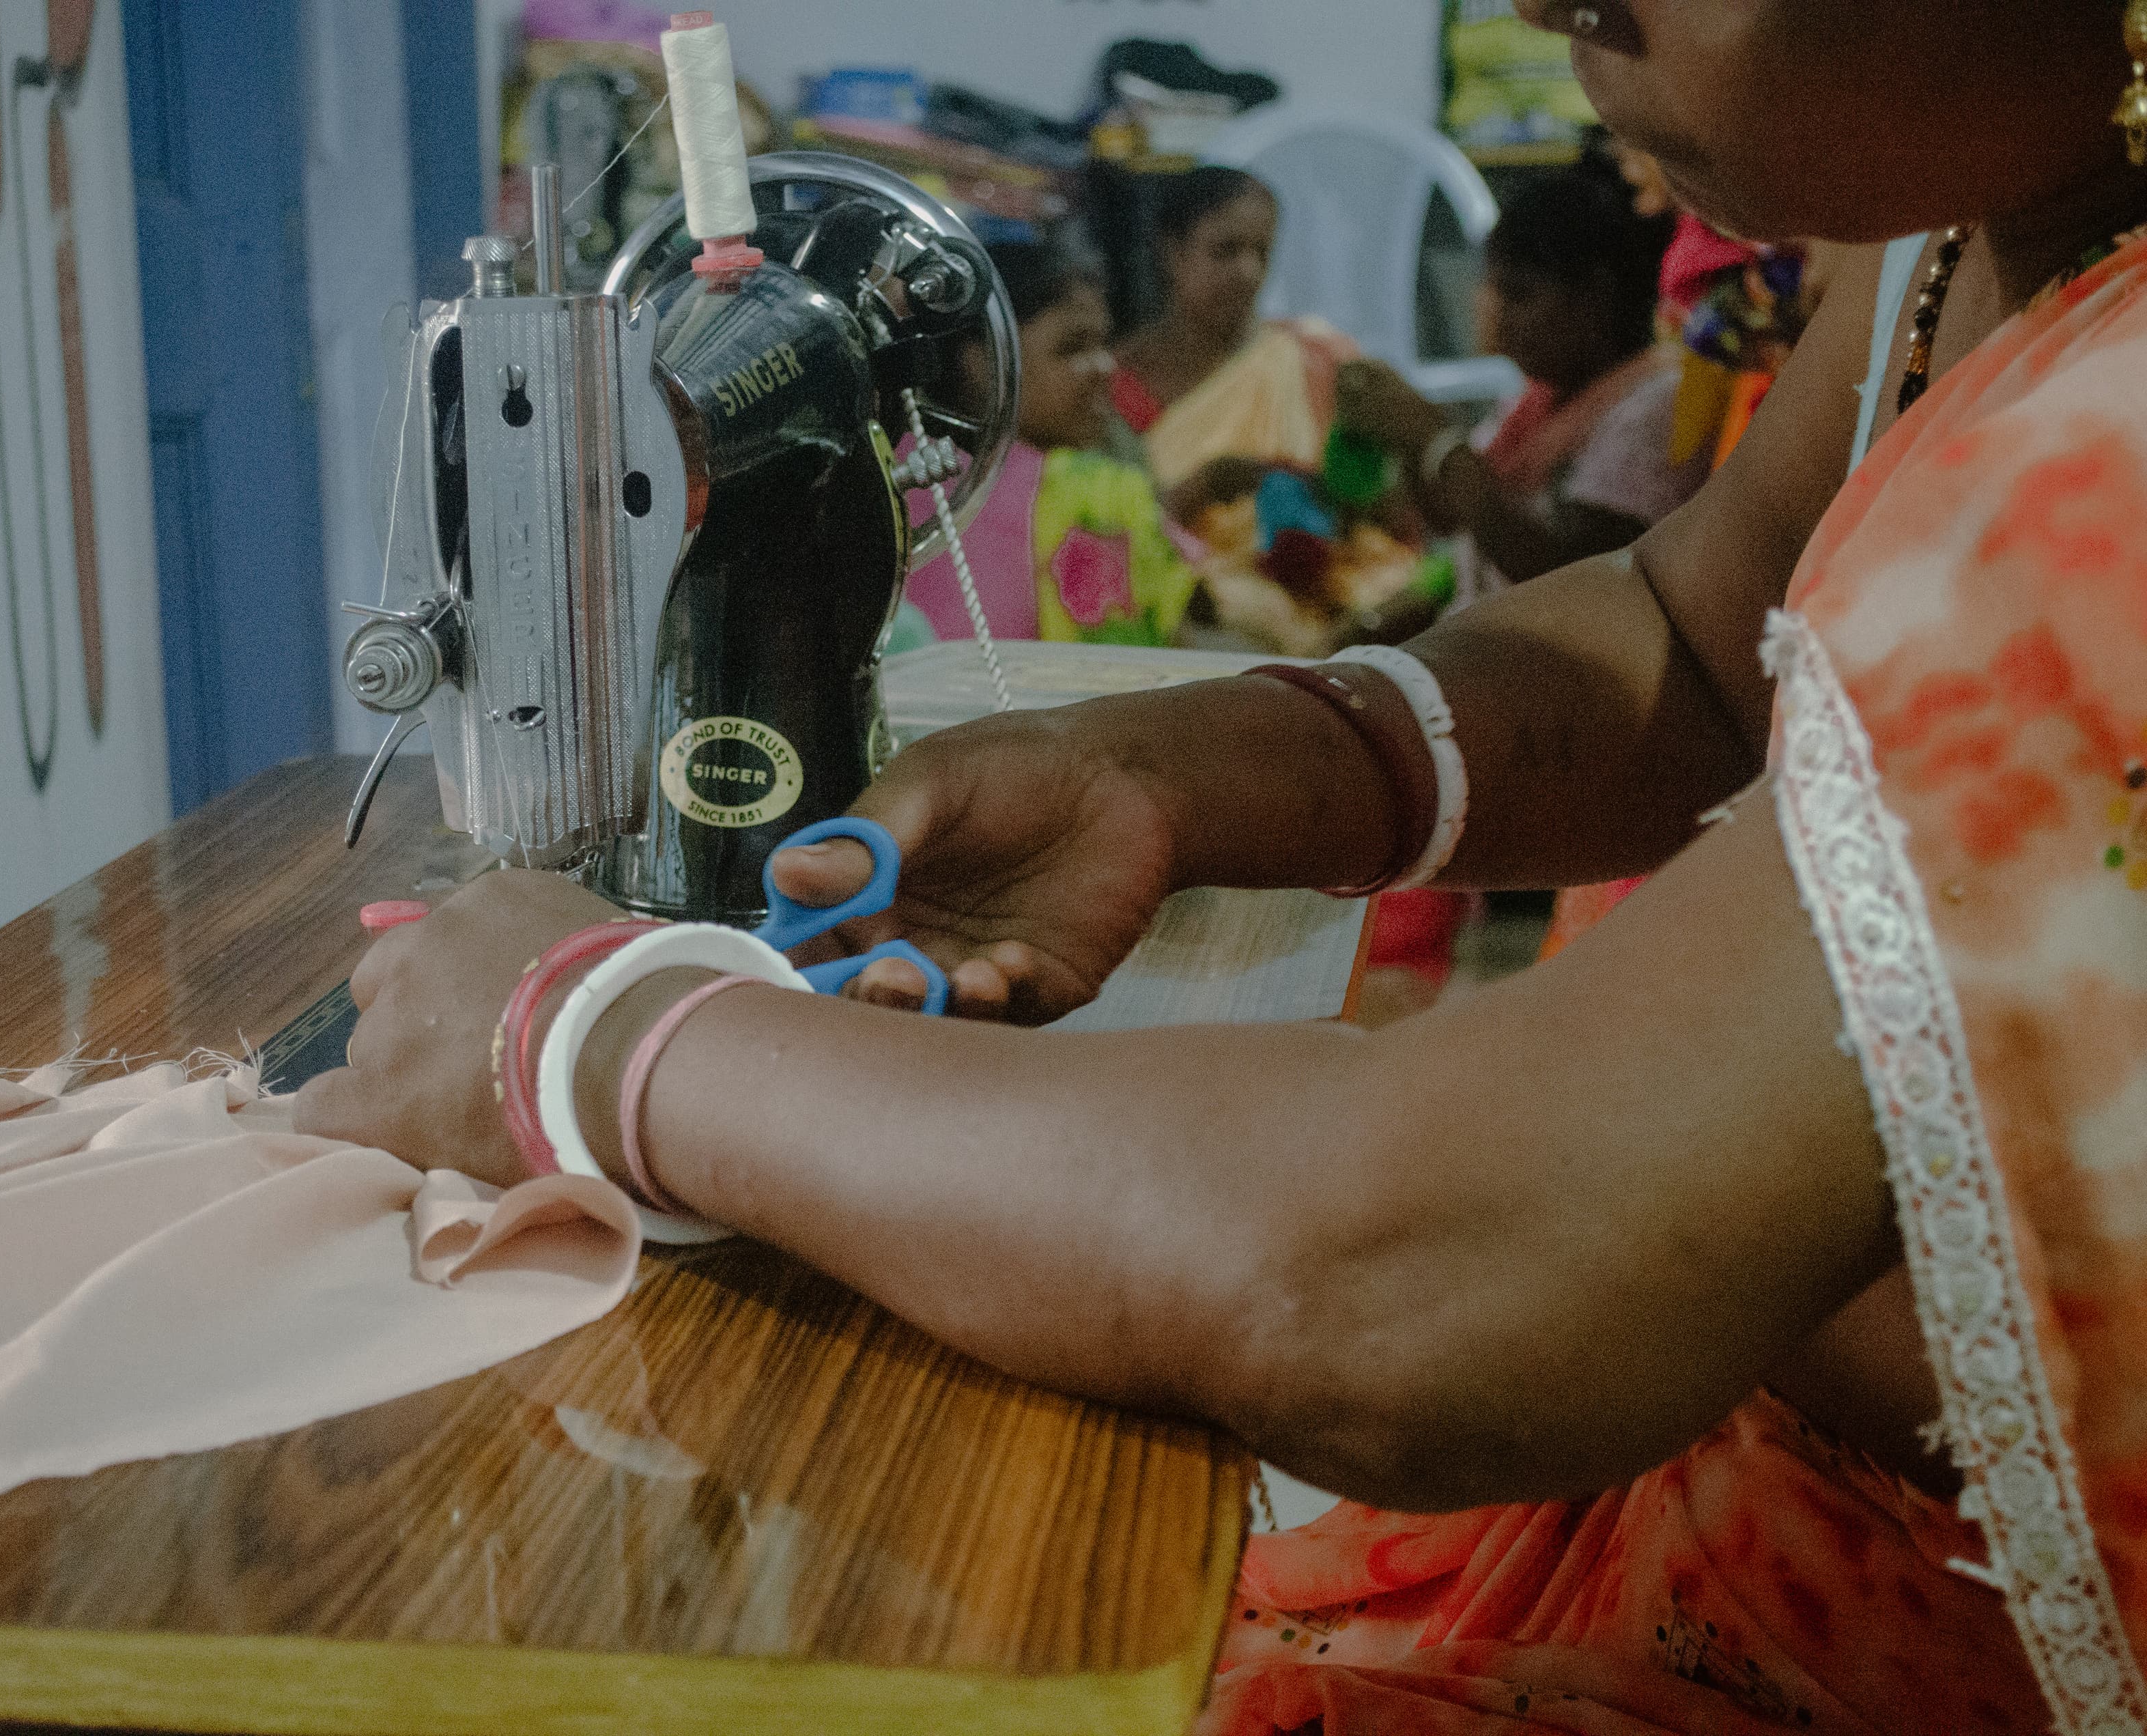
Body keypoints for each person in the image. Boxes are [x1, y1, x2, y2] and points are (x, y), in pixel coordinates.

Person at [302, 0, 2147, 1726]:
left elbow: (1414, 1281)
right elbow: (1702, 627)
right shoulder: (1971, 210)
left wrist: (596, 1033)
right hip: (1701, 1513)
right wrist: (1186, 772)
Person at [1333, 165, 1704, 599]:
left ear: (1593, 297)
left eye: (1517, 293)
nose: (1496, 313)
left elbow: (1566, 574)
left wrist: (1433, 436)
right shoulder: (1536, 401)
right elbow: (1452, 517)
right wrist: (1405, 437)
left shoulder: (1657, 404)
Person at [900, 240, 1204, 649]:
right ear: (984, 360)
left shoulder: (892, 470)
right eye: (1073, 348)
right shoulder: (1091, 493)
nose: (1105, 368)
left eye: (1103, 344)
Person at [1112, 166, 1356, 458]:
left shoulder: (1315, 359)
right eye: (1225, 251)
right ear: (1172, 253)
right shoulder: (1116, 385)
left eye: (1262, 252)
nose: (1249, 273)